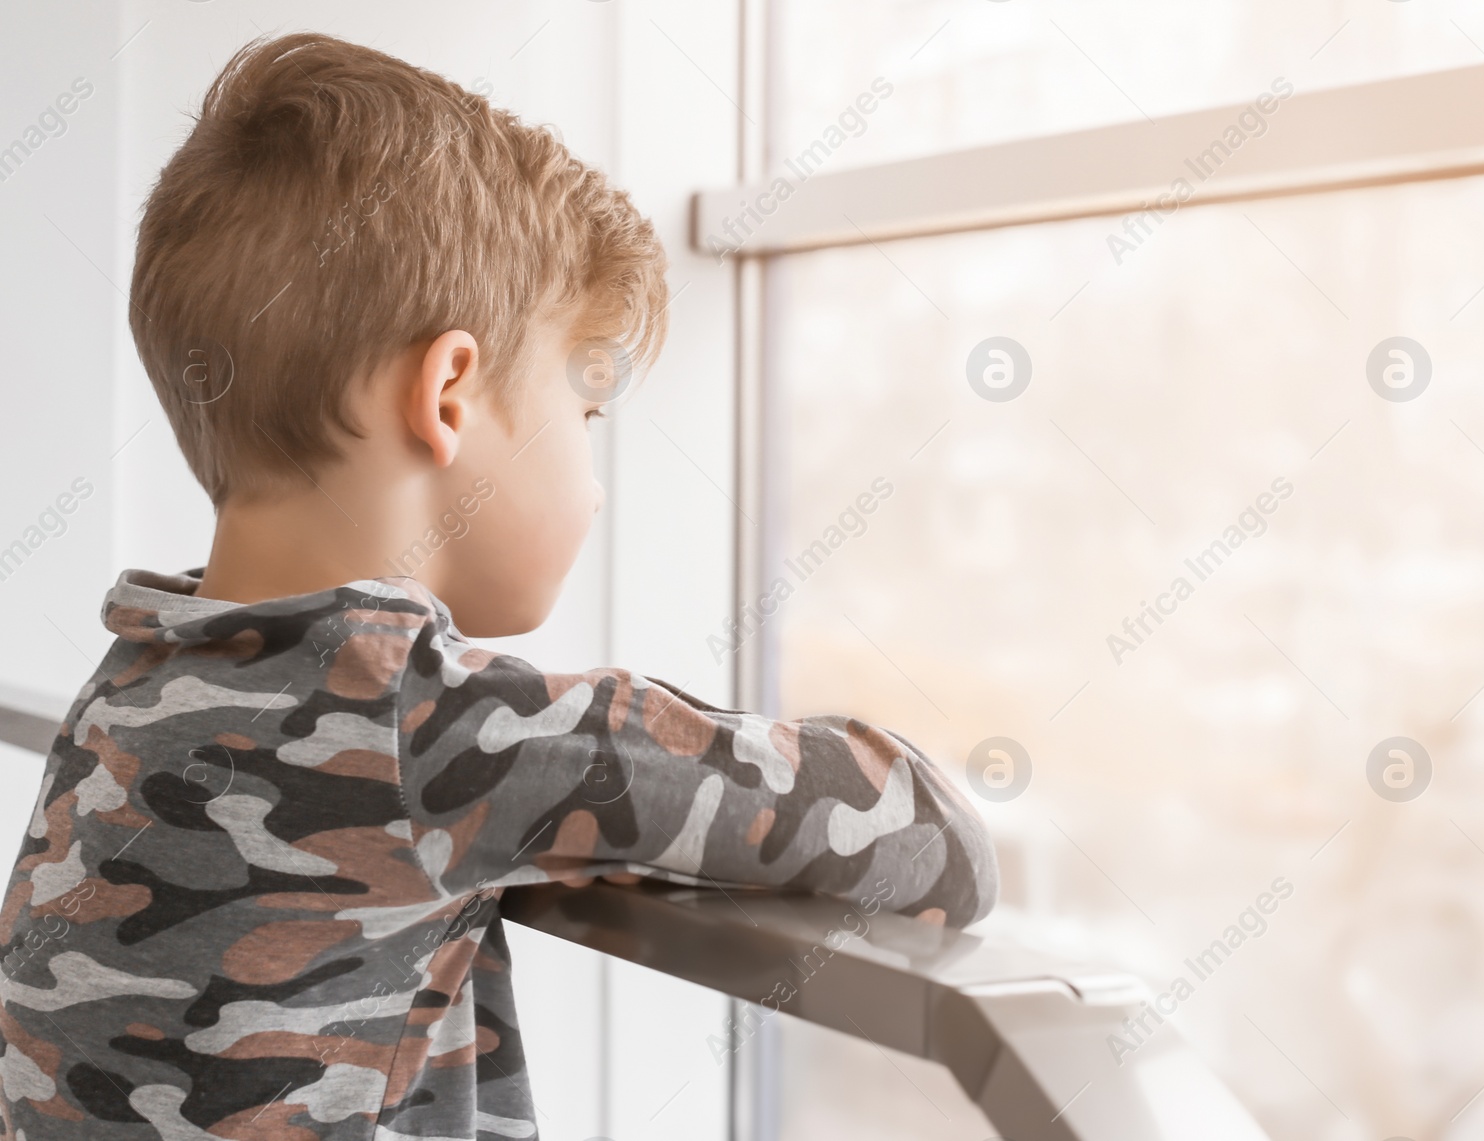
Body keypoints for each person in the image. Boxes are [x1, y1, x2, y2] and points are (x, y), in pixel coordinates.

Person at [0, 32, 998, 1141]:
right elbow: (935, 838)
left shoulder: (130, 680)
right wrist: (610, 804)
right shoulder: (425, 724)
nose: (598, 485)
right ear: (451, 394)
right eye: (584, 417)